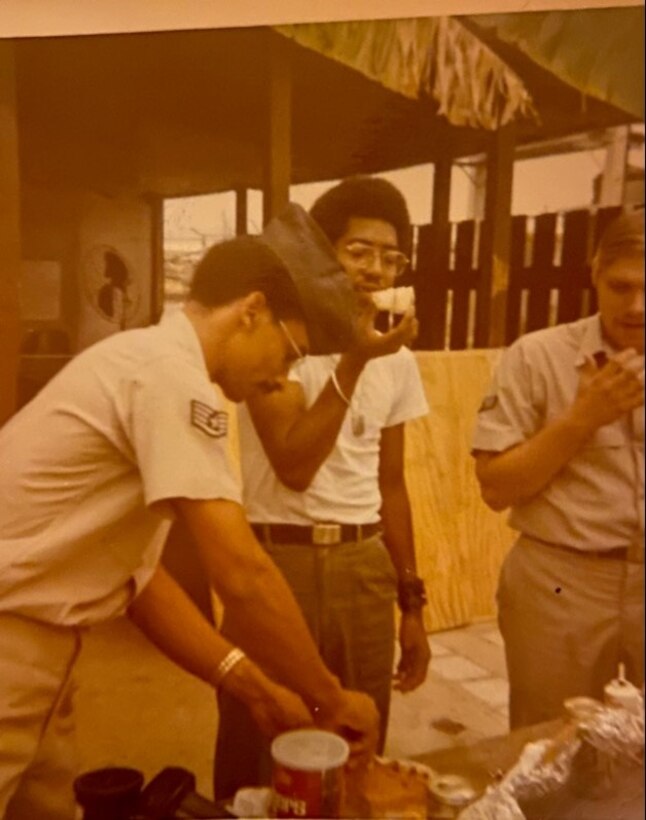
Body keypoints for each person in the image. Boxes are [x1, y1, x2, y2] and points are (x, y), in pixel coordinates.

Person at [0, 230, 381, 820]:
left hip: (40, 656)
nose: (281, 378)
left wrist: (254, 686)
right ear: (252, 312)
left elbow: (142, 585)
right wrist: (329, 697)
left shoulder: (146, 363)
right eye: (289, 354)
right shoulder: (168, 374)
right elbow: (242, 572)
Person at [214, 176, 431, 799]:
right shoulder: (278, 340)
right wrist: (353, 359)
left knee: (358, 745)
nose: (375, 269)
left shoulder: (399, 357)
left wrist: (412, 604)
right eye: (358, 251)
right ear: (322, 254)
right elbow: (293, 463)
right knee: (263, 736)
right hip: (279, 560)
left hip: (365, 568)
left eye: (391, 258)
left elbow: (391, 484)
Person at [471, 210, 644, 729]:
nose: (637, 306)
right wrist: (582, 419)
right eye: (622, 286)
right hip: (561, 581)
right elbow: (496, 487)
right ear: (594, 272)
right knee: (550, 743)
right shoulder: (537, 357)